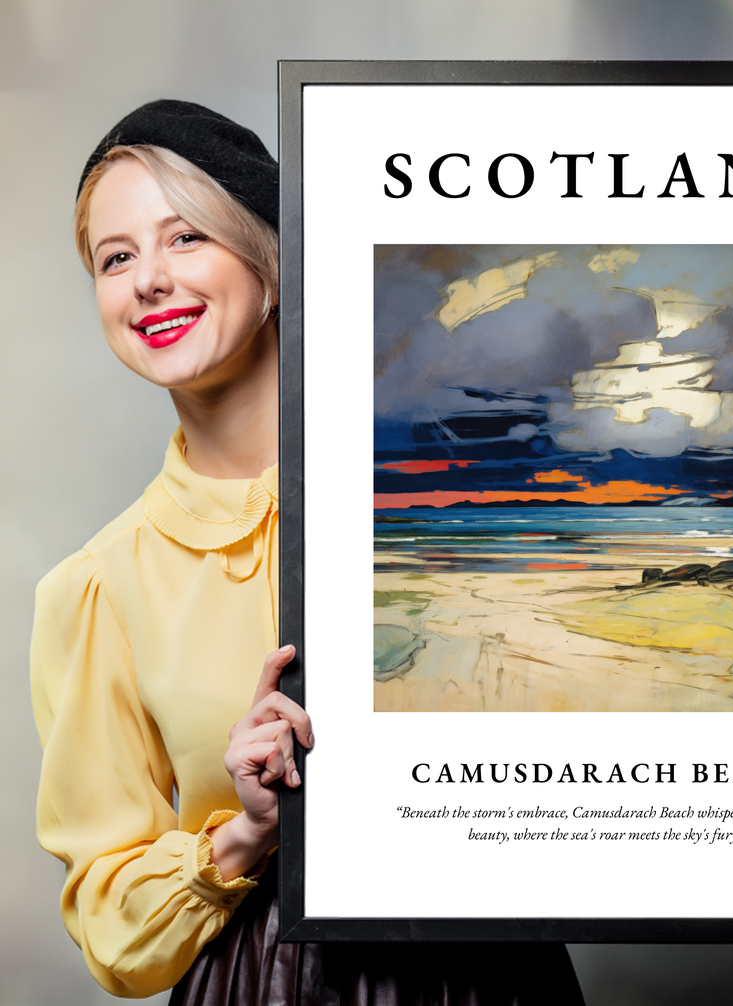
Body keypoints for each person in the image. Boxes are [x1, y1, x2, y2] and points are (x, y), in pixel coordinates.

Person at [30, 100, 585, 1004]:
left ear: (273, 264)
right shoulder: (97, 587)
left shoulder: (447, 497)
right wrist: (245, 832)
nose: (148, 281)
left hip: (492, 973)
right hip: (262, 982)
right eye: (116, 257)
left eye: (186, 239)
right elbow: (110, 923)